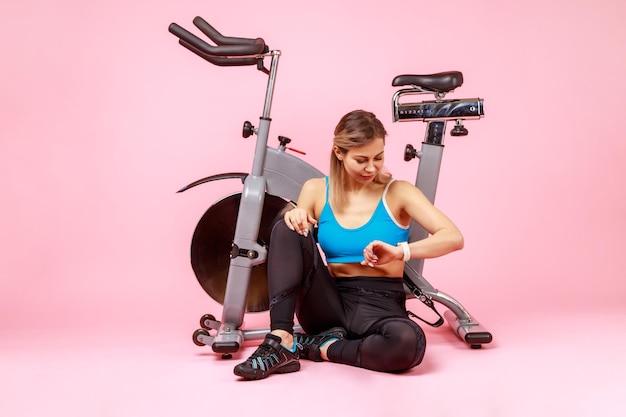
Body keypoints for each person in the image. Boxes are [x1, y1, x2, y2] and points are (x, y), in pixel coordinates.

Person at [233, 109, 464, 380]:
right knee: (287, 225)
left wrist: (401, 252)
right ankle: (280, 340)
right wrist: (294, 213)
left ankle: (325, 348)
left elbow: (453, 237)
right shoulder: (316, 189)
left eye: (378, 158)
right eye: (361, 159)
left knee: (407, 342)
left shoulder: (399, 192)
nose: (371, 168)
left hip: (381, 304)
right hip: (327, 303)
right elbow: (296, 234)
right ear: (339, 153)